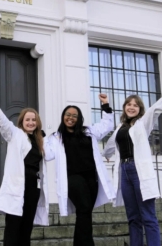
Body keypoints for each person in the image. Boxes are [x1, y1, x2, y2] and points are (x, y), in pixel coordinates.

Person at [103, 82, 162, 246]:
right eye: (129, 104)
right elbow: (110, 145)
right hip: (124, 171)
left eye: (135, 105)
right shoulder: (120, 127)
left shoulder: (143, 123)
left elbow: (156, 109)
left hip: (138, 171)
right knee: (133, 217)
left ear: (140, 109)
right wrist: (106, 155)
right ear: (124, 108)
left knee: (148, 216)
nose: (131, 107)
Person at [44, 94, 116, 246]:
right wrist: (40, 136)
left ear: (79, 118)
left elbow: (107, 126)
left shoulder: (88, 131)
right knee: (84, 208)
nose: (70, 118)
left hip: (91, 178)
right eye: (67, 115)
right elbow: (48, 155)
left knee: (85, 212)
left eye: (74, 116)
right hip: (72, 178)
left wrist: (105, 105)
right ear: (63, 117)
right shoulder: (56, 138)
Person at [0, 89, 49, 246]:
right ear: (22, 122)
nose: (31, 122)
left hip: (34, 187)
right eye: (27, 120)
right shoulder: (15, 134)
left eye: (33, 120)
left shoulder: (41, 140)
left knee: (27, 227)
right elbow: (2, 122)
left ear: (37, 122)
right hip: (17, 187)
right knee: (13, 227)